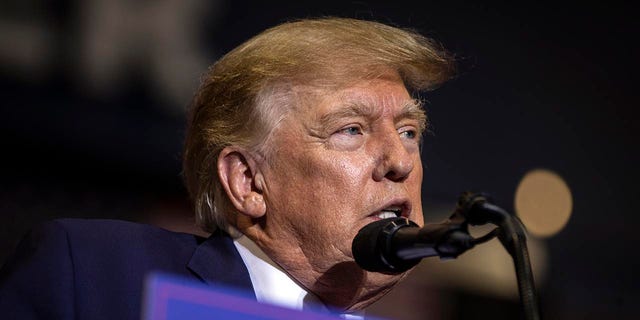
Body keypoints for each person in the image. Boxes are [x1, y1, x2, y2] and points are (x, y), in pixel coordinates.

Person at [0, 17, 454, 319]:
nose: (399, 161)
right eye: (352, 130)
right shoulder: (95, 273)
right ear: (248, 181)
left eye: (409, 132)